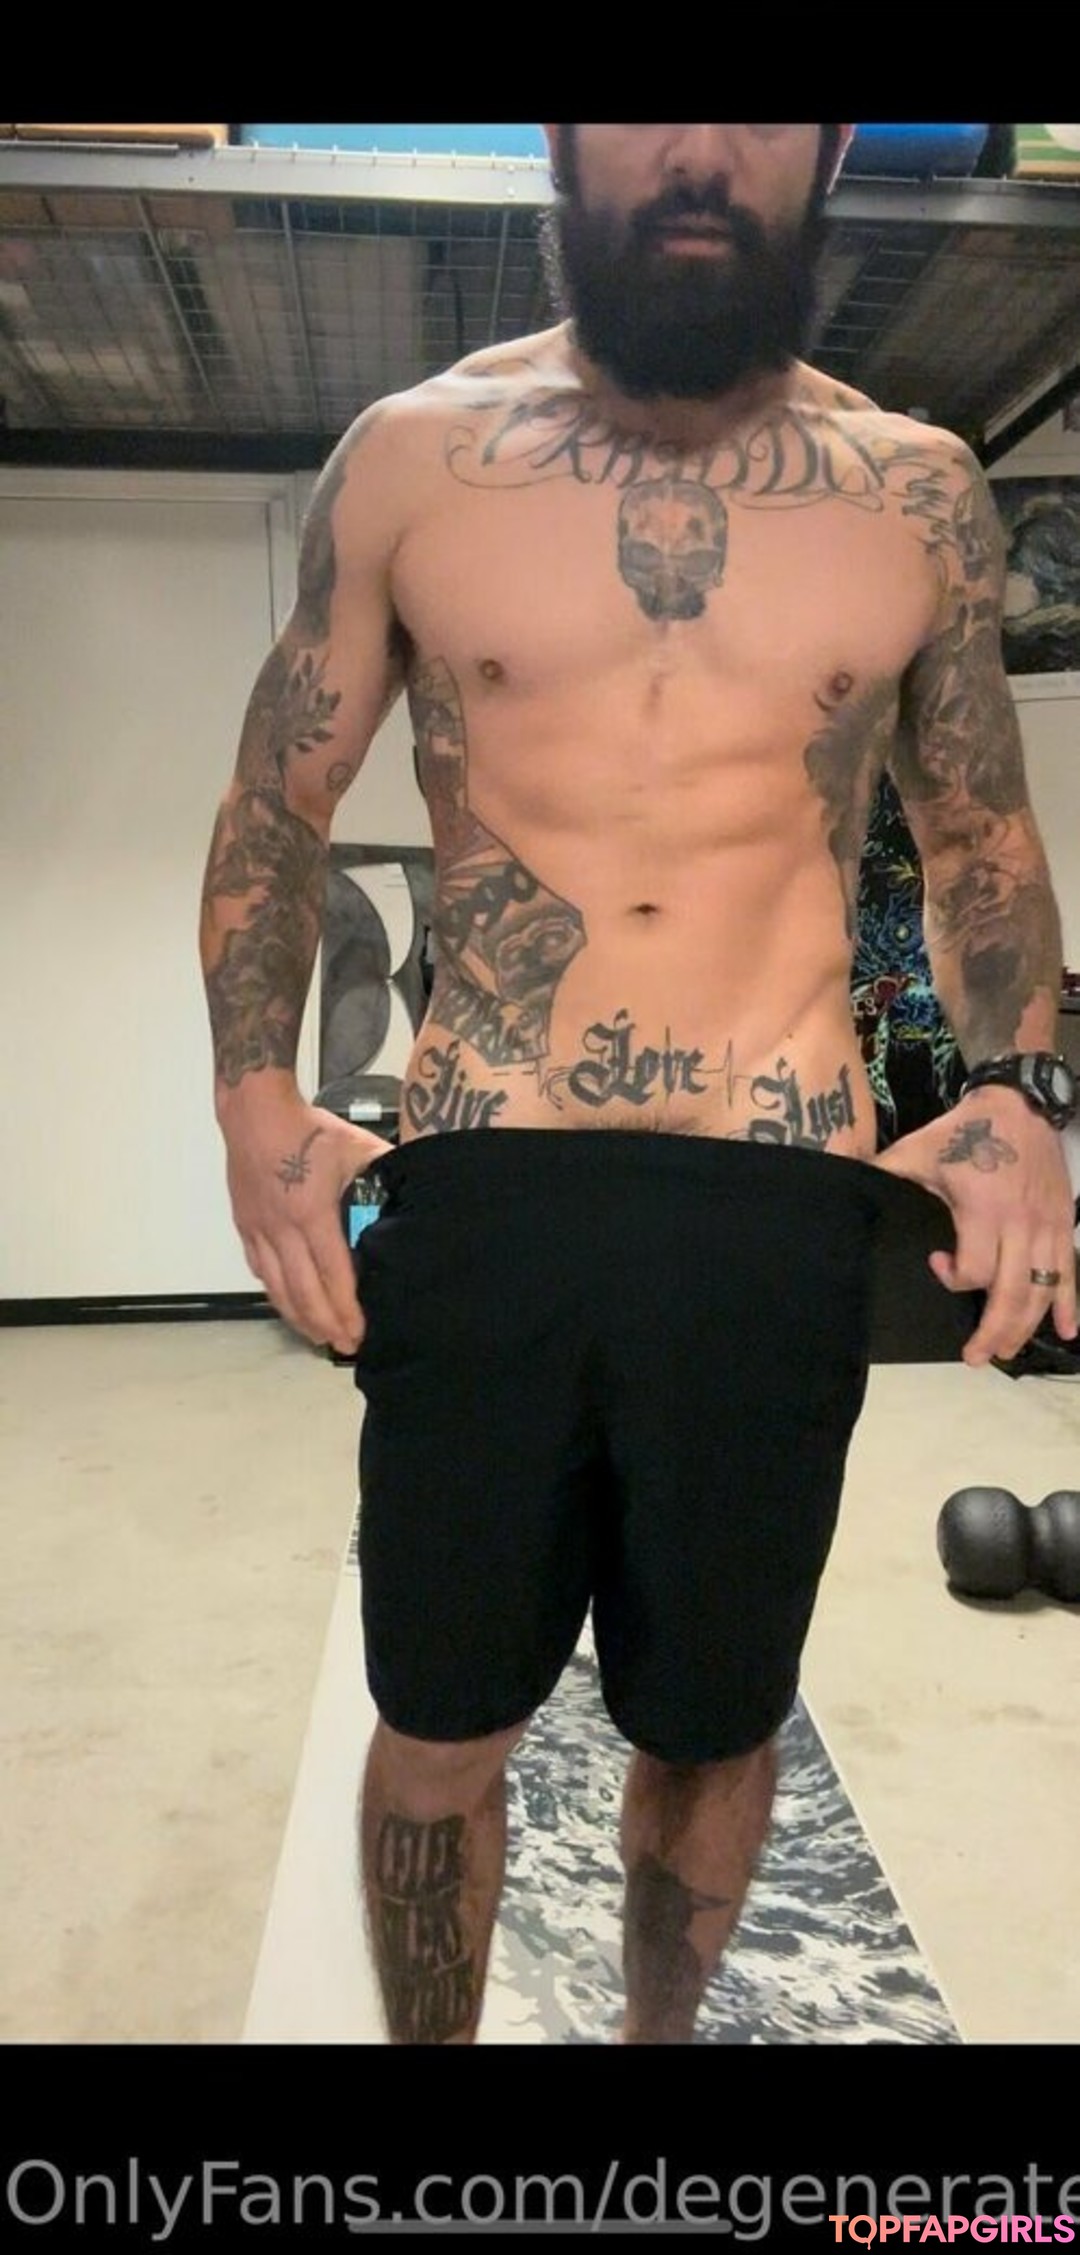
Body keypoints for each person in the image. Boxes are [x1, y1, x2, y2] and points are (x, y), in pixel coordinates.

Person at [199, 123, 1078, 2046]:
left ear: (828, 146)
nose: (696, 149)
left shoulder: (918, 490)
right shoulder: (415, 458)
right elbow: (278, 800)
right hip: (488, 1186)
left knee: (718, 1721)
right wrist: (255, 1101)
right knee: (441, 1719)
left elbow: (980, 836)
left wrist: (1026, 1094)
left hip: (776, 1197)